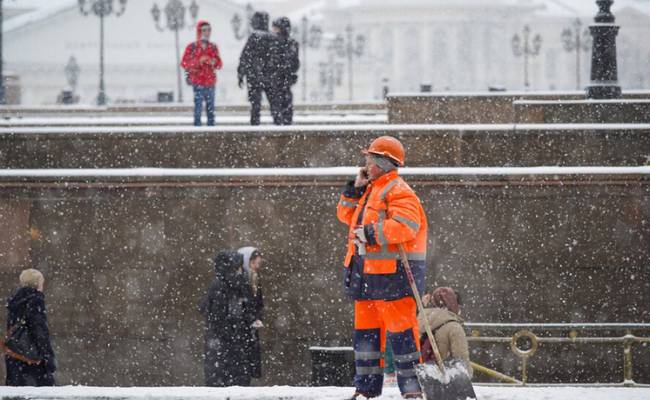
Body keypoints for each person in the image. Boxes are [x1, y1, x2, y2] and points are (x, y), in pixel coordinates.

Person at [336, 136, 428, 399]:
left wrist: (370, 234)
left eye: (369, 159)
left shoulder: (398, 190)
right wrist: (354, 189)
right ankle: (365, 388)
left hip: (393, 278)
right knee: (366, 338)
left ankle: (412, 391)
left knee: (402, 337)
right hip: (365, 276)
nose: (365, 163)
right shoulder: (370, 189)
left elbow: (406, 226)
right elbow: (344, 215)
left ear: (382, 163)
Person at [198, 250, 256, 386]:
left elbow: (245, 310)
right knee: (225, 382)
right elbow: (219, 319)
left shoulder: (235, 286)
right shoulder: (221, 287)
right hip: (225, 349)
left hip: (232, 347)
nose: (241, 271)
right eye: (238, 268)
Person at [4, 269, 56, 386]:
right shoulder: (35, 299)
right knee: (41, 393)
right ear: (37, 283)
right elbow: (39, 330)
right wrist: (48, 356)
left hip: (15, 356)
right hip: (33, 358)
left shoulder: (15, 301)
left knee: (18, 392)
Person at [418, 287, 472, 377]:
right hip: (440, 379)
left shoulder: (418, 319)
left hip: (416, 377)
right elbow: (461, 360)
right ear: (454, 304)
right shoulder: (454, 327)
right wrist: (468, 373)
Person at [181, 20, 223, 126]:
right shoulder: (192, 47)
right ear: (199, 31)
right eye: (204, 30)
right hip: (198, 82)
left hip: (210, 82)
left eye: (209, 30)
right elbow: (184, 63)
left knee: (211, 110)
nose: (207, 32)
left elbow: (219, 64)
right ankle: (197, 132)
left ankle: (211, 133)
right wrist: (199, 61)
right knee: (198, 109)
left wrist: (212, 61)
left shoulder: (213, 47)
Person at [237, 11, 274, 126]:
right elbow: (277, 58)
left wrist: (240, 74)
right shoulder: (272, 38)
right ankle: (279, 126)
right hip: (269, 76)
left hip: (254, 76)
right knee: (274, 104)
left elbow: (245, 57)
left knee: (255, 106)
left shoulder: (254, 37)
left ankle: (255, 129)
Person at [238, 246, 265, 380]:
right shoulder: (241, 281)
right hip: (243, 329)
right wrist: (252, 318)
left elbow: (258, 303)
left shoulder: (254, 279)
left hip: (250, 327)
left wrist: (258, 317)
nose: (256, 266)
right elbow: (242, 306)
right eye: (254, 263)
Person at [268, 17, 299, 125]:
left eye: (275, 28)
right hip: (286, 80)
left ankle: (280, 130)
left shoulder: (273, 42)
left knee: (277, 107)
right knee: (286, 107)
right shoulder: (292, 43)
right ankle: (285, 129)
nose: (273, 30)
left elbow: (271, 62)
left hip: (277, 80)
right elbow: (295, 63)